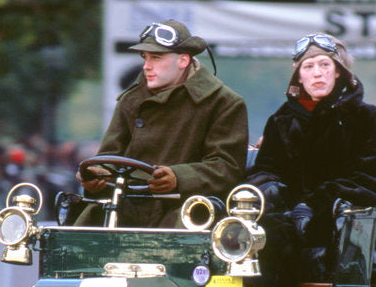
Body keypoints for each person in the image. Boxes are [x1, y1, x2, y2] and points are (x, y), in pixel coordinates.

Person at [247, 32, 376, 287]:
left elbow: (369, 182)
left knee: (328, 230)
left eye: (325, 65)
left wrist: (314, 204)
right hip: (290, 216)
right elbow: (263, 170)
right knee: (252, 238)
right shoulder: (281, 121)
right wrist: (273, 192)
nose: (317, 73)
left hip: (349, 217)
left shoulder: (371, 120)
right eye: (309, 66)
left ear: (338, 71)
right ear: (298, 75)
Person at [75, 19, 248, 227]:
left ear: (183, 61)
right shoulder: (131, 100)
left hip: (187, 208)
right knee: (78, 240)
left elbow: (227, 168)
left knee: (179, 241)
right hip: (127, 206)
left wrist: (179, 177)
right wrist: (97, 176)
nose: (147, 66)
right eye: (144, 57)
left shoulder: (222, 103)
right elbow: (110, 157)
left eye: (156, 58)